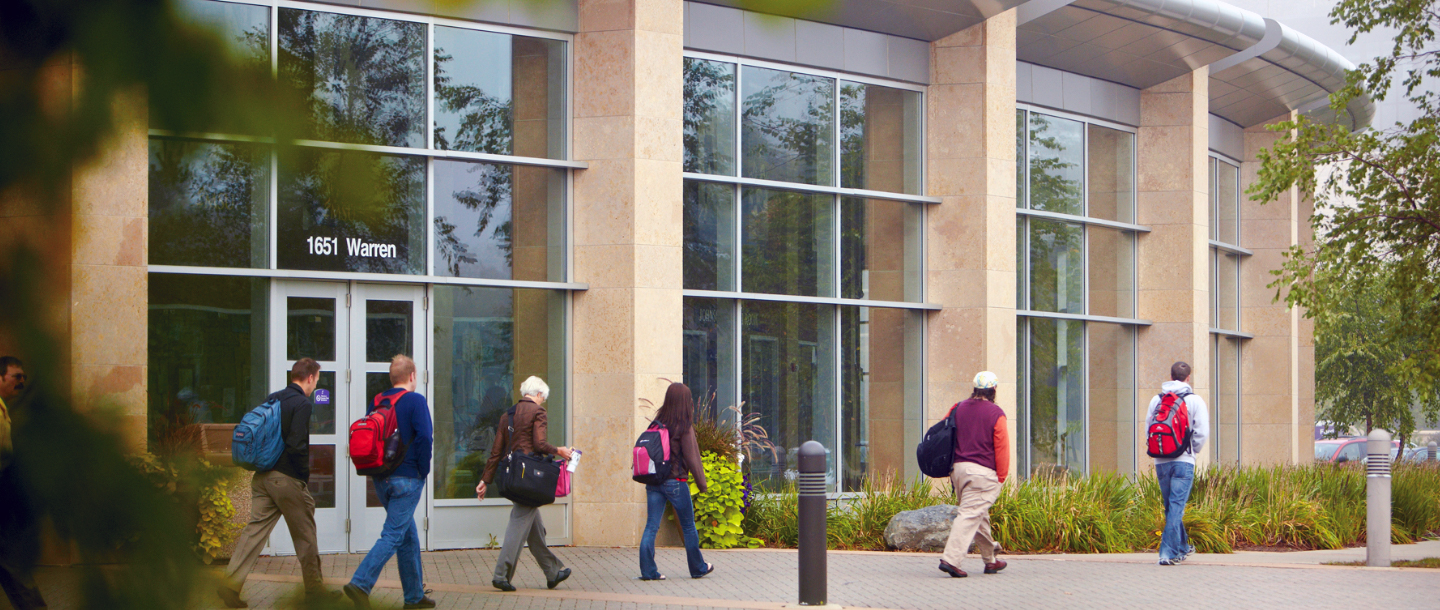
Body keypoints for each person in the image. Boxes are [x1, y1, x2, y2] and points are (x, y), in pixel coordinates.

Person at [218, 358, 336, 608]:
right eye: (316, 380)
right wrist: (303, 476)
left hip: (262, 477)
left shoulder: (274, 398)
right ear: (311, 378)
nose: (315, 386)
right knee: (305, 534)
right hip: (286, 478)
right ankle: (315, 592)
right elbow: (297, 444)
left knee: (254, 532)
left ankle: (230, 585)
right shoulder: (302, 403)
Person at [345, 355, 436, 609]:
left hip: (381, 478)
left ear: (392, 377)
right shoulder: (416, 400)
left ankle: (414, 596)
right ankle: (360, 583)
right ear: (413, 376)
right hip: (407, 479)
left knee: (408, 536)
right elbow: (425, 437)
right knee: (394, 534)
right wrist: (423, 471)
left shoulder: (378, 401)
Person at [476, 376, 574, 592]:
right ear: (538, 394)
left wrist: (485, 480)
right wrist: (559, 451)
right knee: (518, 524)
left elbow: (496, 451)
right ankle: (501, 575)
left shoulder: (507, 415)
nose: (542, 402)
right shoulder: (538, 412)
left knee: (535, 529)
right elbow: (539, 444)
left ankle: (552, 572)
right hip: (530, 478)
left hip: (513, 477)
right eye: (543, 398)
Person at [637, 383, 714, 581]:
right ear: (685, 402)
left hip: (654, 482)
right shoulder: (684, 427)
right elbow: (693, 458)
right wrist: (702, 484)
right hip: (676, 482)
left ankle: (648, 571)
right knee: (688, 527)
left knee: (651, 526)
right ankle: (698, 568)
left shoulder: (656, 423)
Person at [938, 371, 1010, 579]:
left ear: (975, 388)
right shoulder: (996, 413)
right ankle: (951, 560)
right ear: (994, 389)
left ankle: (991, 560)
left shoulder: (957, 408)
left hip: (958, 470)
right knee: (969, 514)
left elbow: (944, 432)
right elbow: (1002, 446)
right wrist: (1002, 476)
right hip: (982, 473)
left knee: (977, 513)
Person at [1147, 361, 1209, 566]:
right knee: (1176, 506)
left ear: (1170, 375)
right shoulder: (1195, 401)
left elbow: (1150, 428)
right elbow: (1202, 432)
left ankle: (1181, 547)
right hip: (1183, 461)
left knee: (1171, 506)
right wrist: (1192, 451)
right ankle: (1167, 552)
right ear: (1188, 378)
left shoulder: (1156, 400)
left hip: (1161, 460)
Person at [0, 356, 46, 610]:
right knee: (13, 565)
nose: (22, 382)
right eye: (17, 376)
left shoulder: (4, 409)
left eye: (24, 378)